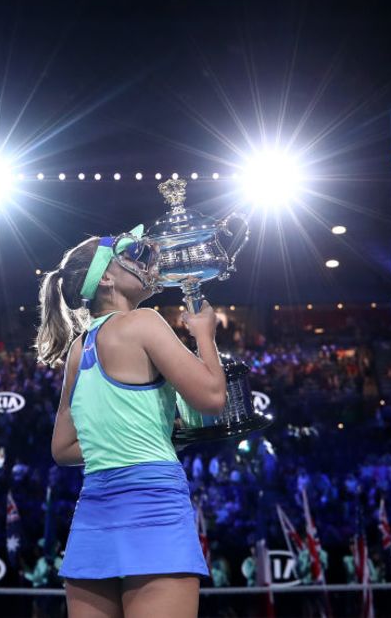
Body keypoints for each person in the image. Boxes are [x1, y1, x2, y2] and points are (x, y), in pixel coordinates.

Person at [37, 226, 226, 618]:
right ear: (106, 276)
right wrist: (204, 333)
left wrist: (131, 435)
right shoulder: (144, 322)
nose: (141, 262)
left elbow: (63, 449)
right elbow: (211, 399)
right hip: (153, 509)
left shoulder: (78, 348)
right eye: (129, 255)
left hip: (92, 517)